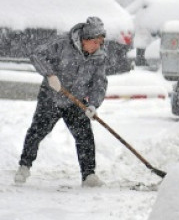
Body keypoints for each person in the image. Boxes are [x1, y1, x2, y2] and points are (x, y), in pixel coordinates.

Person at [14, 16, 109, 187]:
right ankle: (24, 166)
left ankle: (88, 175)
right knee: (37, 131)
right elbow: (37, 54)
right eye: (94, 42)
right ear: (84, 39)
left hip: (76, 101)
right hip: (51, 97)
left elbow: (99, 83)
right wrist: (50, 74)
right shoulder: (62, 44)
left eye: (100, 42)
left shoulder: (99, 57)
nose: (97, 46)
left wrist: (93, 104)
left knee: (85, 136)